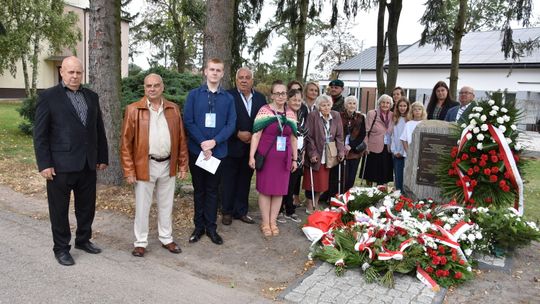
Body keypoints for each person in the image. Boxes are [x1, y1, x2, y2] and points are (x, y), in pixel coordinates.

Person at [33, 56, 108, 266]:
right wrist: (44, 163)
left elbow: (98, 128)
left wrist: (102, 156)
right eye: (70, 72)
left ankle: (83, 240)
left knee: (87, 207)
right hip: (59, 165)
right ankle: (61, 248)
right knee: (59, 210)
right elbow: (40, 134)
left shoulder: (92, 97)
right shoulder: (49, 97)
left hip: (87, 164)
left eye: (78, 72)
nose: (75, 76)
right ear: (62, 73)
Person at [120, 73, 189, 258]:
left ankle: (166, 238)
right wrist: (129, 170)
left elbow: (181, 139)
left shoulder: (173, 109)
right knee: (143, 206)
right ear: (144, 88)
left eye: (156, 85)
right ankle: (140, 242)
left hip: (168, 164)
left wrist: (183, 165)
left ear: (162, 87)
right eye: (148, 86)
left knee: (166, 204)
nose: (152, 89)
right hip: (145, 164)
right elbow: (125, 143)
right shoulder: (134, 110)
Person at [183, 58, 236, 245]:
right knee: (199, 191)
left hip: (218, 152)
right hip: (197, 152)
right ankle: (198, 227)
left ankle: (211, 228)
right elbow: (188, 121)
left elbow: (231, 124)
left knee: (213, 191)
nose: (214, 73)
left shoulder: (228, 99)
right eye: (211, 69)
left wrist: (214, 142)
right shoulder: (194, 95)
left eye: (218, 70)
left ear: (222, 73)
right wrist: (203, 143)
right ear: (205, 71)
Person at [249, 81, 298, 237]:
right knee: (265, 190)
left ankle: (273, 221)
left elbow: (293, 138)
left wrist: (295, 159)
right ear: (271, 95)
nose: (280, 96)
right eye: (277, 93)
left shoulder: (290, 113)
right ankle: (265, 222)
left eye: (283, 93)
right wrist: (251, 156)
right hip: (267, 157)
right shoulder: (264, 111)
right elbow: (256, 135)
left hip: (284, 159)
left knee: (279, 191)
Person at [221, 67, 266, 226]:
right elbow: (222, 120)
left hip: (251, 149)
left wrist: (254, 136)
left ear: (252, 80)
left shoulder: (260, 98)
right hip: (232, 146)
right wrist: (237, 133)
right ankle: (226, 211)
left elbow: (264, 121)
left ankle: (241, 211)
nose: (244, 80)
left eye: (247, 77)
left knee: (245, 181)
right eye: (241, 77)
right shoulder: (227, 96)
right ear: (236, 80)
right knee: (228, 181)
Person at [303, 95, 345, 213]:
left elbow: (340, 136)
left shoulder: (336, 116)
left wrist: (341, 151)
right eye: (323, 105)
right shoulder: (313, 116)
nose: (326, 107)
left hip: (328, 153)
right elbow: (309, 136)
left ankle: (315, 203)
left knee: (321, 183)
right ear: (318, 106)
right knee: (311, 181)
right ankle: (309, 204)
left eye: (328, 105)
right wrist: (312, 153)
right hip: (316, 151)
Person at [280, 89, 308, 223]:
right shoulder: (284, 115)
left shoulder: (302, 114)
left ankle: (290, 210)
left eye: (299, 100)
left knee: (292, 184)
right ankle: (279, 210)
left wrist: (303, 154)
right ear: (288, 100)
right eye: (294, 100)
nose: (297, 102)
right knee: (283, 184)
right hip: (286, 154)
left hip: (299, 155)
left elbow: (304, 136)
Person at [362, 94, 394, 186]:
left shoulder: (392, 115)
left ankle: (380, 192)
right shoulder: (372, 113)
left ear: (390, 105)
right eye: (383, 102)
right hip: (372, 148)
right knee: (371, 173)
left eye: (387, 103)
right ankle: (369, 191)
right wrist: (366, 146)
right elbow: (366, 131)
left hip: (386, 147)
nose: (385, 105)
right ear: (379, 103)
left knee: (383, 173)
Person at [340, 96, 366, 193]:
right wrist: (342, 146)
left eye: (354, 103)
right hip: (341, 150)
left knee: (351, 177)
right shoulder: (339, 116)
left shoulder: (361, 117)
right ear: (345, 105)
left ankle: (347, 196)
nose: (352, 105)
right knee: (342, 176)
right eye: (349, 103)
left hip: (354, 151)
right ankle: (338, 196)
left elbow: (362, 134)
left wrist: (351, 145)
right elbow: (336, 132)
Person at [390, 97, 410, 191]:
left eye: (404, 106)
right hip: (397, 152)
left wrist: (404, 151)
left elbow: (407, 138)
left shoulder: (409, 120)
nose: (402, 108)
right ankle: (399, 195)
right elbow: (393, 136)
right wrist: (395, 150)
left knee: (407, 177)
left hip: (407, 152)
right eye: (400, 106)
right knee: (398, 176)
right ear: (397, 107)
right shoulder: (396, 119)